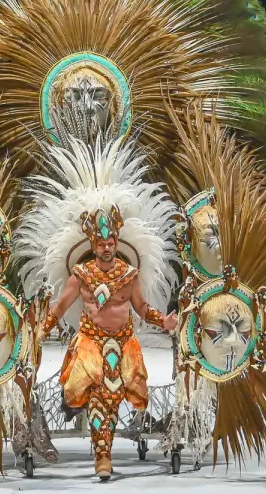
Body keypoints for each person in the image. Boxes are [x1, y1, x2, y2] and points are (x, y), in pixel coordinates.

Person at [41, 205, 177, 479]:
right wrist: (40, 330)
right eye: (101, 243)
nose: (106, 247)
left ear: (116, 242)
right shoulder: (80, 275)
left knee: (113, 396)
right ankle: (102, 456)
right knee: (96, 395)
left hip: (123, 343)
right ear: (93, 243)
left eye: (110, 242)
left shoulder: (129, 275)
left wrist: (164, 321)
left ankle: (105, 450)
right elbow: (59, 308)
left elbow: (141, 308)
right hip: (90, 342)